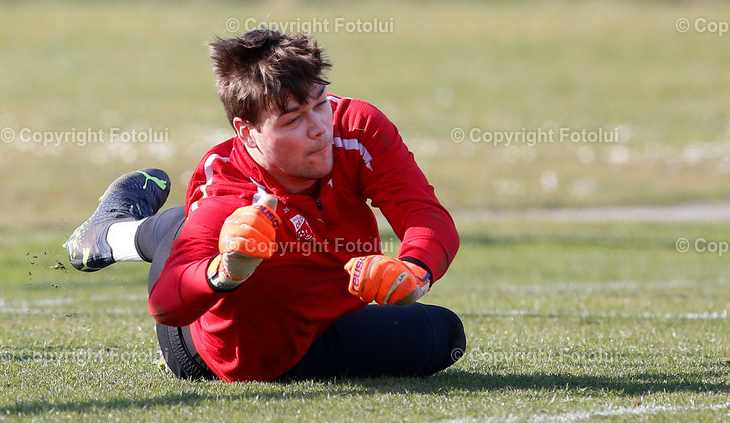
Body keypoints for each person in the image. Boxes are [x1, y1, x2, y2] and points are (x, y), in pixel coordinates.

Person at [63, 29, 465, 383]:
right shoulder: (227, 188)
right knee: (192, 227)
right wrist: (225, 272)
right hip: (221, 353)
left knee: (447, 336)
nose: (319, 128)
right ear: (248, 133)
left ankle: (122, 229)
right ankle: (114, 233)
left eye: (320, 103)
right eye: (293, 121)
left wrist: (415, 269)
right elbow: (165, 303)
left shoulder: (355, 127)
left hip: (326, 319)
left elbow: (426, 215)